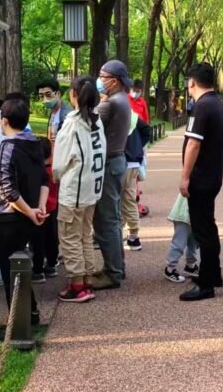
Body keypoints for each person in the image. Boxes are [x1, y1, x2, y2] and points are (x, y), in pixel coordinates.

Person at [0, 98, 49, 341]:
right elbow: (44, 178)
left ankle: (16, 323)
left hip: (10, 218)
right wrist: (38, 208)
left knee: (10, 271)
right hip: (30, 215)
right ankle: (30, 312)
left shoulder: (5, 147)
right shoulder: (34, 143)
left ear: (4, 121)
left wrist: (29, 210)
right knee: (22, 268)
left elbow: (6, 190)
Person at [53, 76, 107, 303]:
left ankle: (77, 284)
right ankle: (86, 279)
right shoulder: (97, 120)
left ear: (73, 94)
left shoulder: (72, 122)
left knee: (69, 237)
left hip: (73, 191)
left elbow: (60, 162)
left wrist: (56, 176)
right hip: (91, 189)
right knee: (85, 234)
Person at [178, 62, 223, 301]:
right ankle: (213, 272)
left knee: (203, 230)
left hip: (201, 177)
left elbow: (194, 144)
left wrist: (185, 176)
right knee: (209, 225)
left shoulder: (202, 107)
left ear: (192, 82)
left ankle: (206, 283)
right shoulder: (218, 105)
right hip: (213, 175)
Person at [89, 60, 133, 290]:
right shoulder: (122, 100)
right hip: (118, 161)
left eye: (102, 76)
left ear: (113, 81)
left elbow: (88, 126)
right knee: (113, 219)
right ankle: (117, 267)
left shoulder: (110, 104)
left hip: (108, 164)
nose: (99, 79)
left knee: (105, 220)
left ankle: (112, 272)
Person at [35, 80, 71, 279]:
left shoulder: (66, 114)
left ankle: (56, 255)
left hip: (59, 167)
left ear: (58, 93)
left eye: (48, 94)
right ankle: (55, 254)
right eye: (41, 96)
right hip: (52, 164)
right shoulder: (54, 113)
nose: (45, 99)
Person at [30, 137, 60, 283]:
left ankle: (37, 269)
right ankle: (52, 264)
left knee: (37, 240)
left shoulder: (37, 172)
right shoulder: (54, 170)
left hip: (38, 209)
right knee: (52, 237)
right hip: (53, 207)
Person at [123, 111, 152, 251]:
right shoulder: (132, 116)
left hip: (123, 161)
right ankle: (132, 236)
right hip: (134, 161)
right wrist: (137, 147)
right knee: (129, 199)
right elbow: (147, 130)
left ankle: (129, 236)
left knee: (123, 199)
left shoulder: (114, 111)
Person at [164, 194, 200, 282]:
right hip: (183, 215)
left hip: (194, 215)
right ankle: (170, 269)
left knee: (193, 242)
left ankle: (190, 266)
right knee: (179, 243)